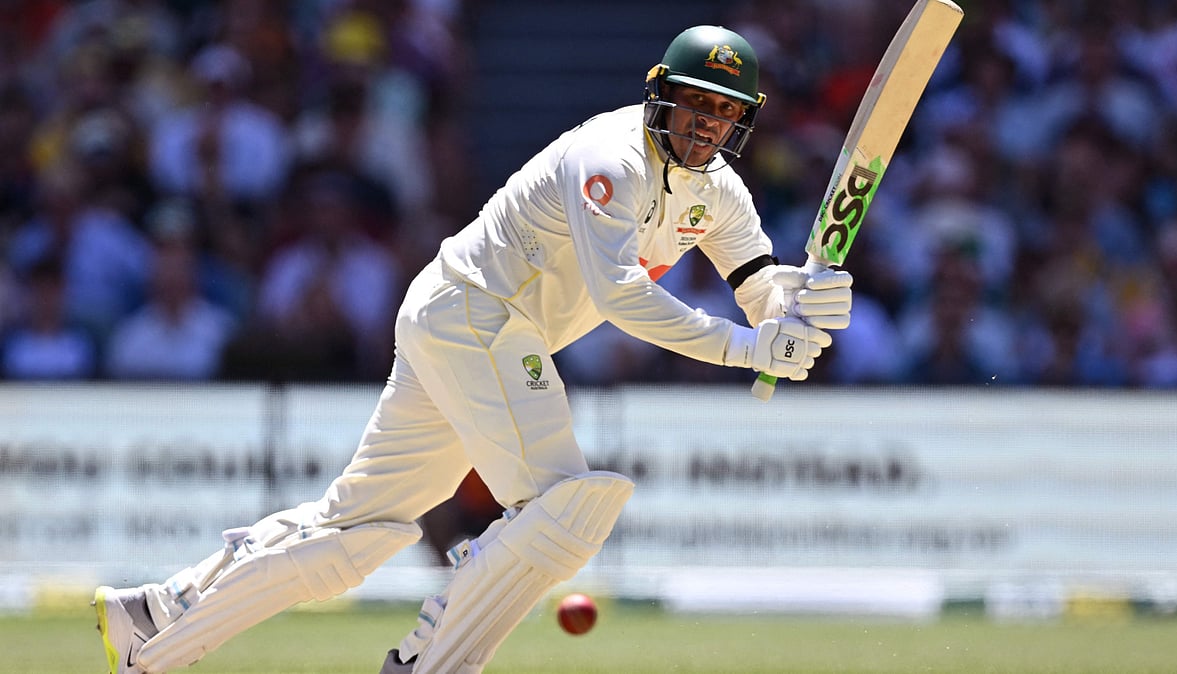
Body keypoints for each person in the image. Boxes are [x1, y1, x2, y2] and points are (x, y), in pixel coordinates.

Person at [93, 25, 854, 674]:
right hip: (478, 316)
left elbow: (763, 296)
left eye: (724, 112)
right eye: (695, 102)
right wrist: (747, 349)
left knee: (355, 535)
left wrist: (803, 307)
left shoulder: (718, 192)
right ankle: (426, 660)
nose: (707, 124)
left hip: (464, 322)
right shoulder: (609, 159)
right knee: (568, 505)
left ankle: (155, 616)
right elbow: (624, 297)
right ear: (662, 93)